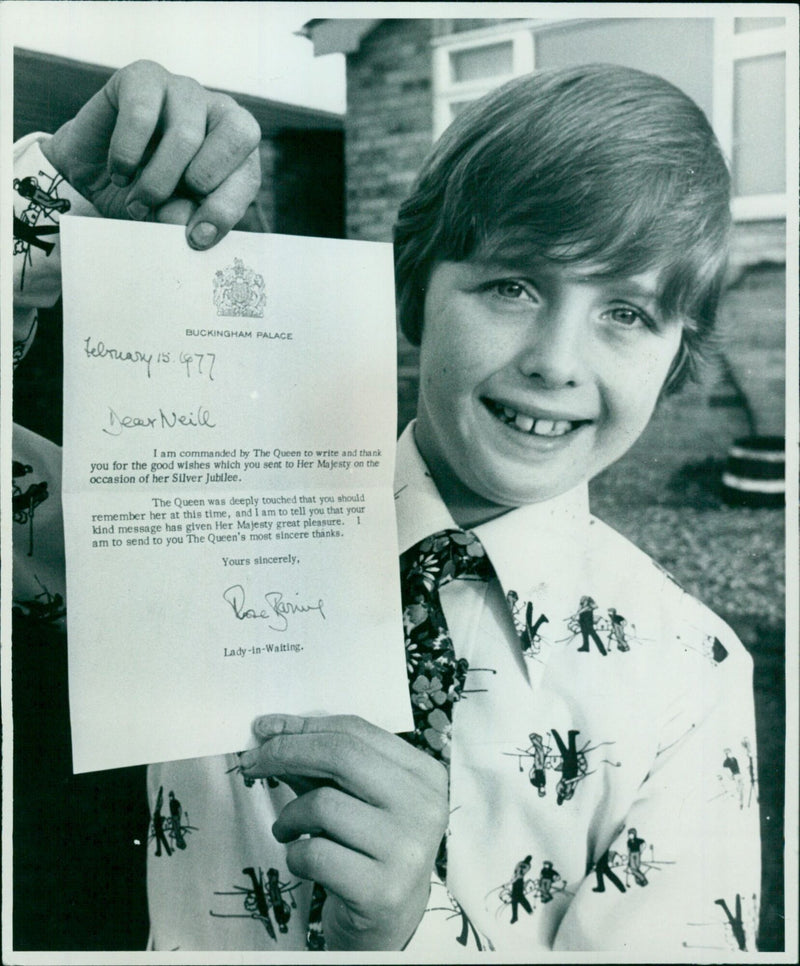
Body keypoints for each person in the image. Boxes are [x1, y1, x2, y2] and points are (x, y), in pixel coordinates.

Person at [12, 60, 761, 954]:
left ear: (677, 357)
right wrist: (45, 203)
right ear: (414, 294)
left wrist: (413, 931)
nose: (557, 361)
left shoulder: (690, 677)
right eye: (512, 285)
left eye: (628, 313)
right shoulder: (205, 507)